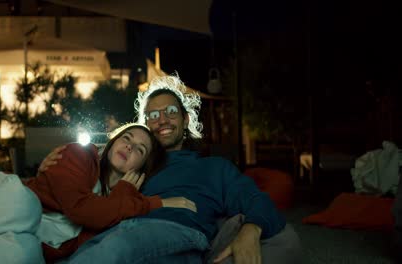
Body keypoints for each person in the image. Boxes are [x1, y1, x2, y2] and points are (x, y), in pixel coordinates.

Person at [41, 75, 303, 263]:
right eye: (153, 116)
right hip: (119, 231)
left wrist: (250, 230)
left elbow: (257, 200)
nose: (162, 120)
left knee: (116, 248)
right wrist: (64, 158)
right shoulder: (134, 165)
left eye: (169, 111)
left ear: (186, 118)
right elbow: (89, 167)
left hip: (175, 233)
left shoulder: (214, 168)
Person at [0, 123, 197, 263]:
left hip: (12, 240)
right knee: (25, 204)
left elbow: (101, 218)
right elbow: (82, 210)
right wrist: (154, 202)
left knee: (24, 255)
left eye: (140, 149)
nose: (129, 147)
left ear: (142, 168)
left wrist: (126, 195)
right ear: (113, 141)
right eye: (127, 138)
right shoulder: (79, 155)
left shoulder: (120, 205)